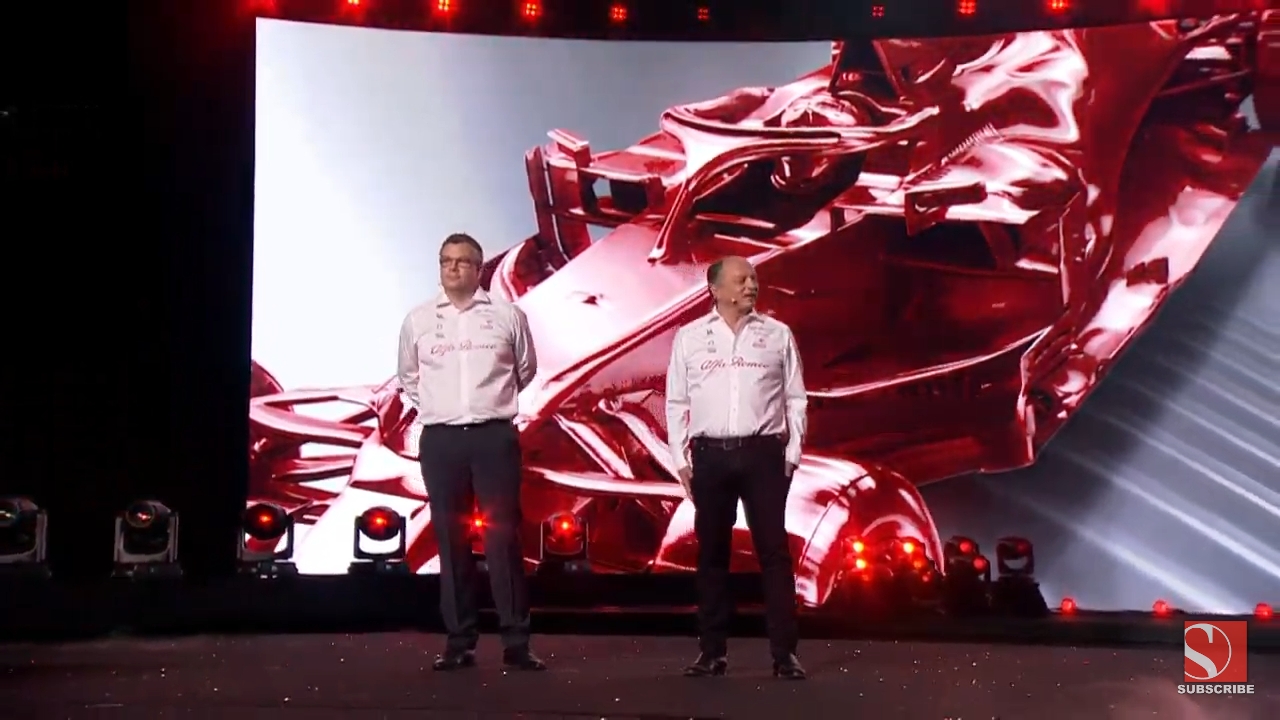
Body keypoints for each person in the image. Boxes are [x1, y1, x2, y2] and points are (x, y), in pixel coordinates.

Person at [396, 232, 545, 672]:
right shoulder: (419, 320)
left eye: (462, 261)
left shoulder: (506, 315)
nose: (453, 268)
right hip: (442, 441)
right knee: (450, 539)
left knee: (503, 539)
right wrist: (442, 409)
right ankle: (459, 641)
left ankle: (516, 641)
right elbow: (408, 377)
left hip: (493, 437)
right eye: (446, 261)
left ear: (479, 269)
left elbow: (525, 369)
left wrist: (487, 404)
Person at [664, 255, 808, 680]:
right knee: (712, 554)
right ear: (716, 289)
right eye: (742, 280)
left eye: (754, 279)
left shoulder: (777, 334)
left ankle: (785, 655)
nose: (751, 286)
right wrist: (680, 459)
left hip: (764, 455)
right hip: (710, 456)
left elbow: (796, 398)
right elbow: (676, 402)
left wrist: (792, 453)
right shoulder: (690, 337)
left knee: (774, 553)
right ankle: (712, 653)